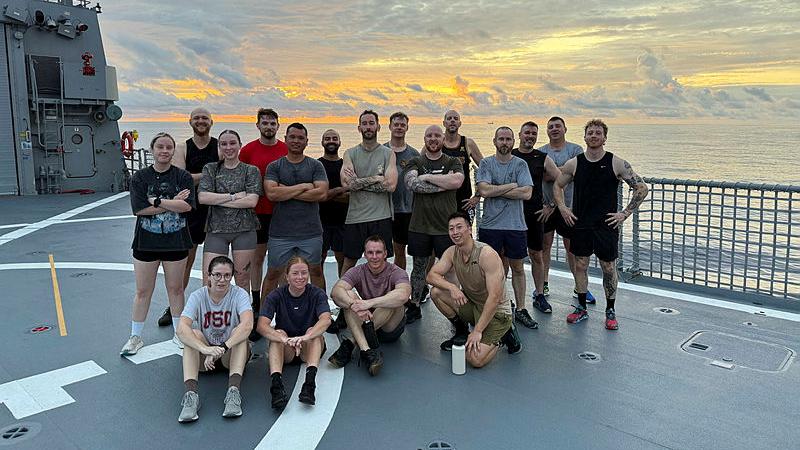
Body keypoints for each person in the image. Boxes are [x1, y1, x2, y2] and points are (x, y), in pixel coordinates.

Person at [554, 119, 648, 330]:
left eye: (598, 133)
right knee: (580, 265)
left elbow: (641, 188)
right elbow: (557, 186)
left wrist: (624, 214)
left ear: (605, 138)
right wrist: (563, 208)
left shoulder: (616, 162)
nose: (594, 136)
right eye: (590, 133)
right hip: (581, 223)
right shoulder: (574, 163)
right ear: (585, 137)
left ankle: (610, 310)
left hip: (606, 224)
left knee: (608, 267)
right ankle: (580, 307)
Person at [120, 133, 193, 356]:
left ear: (173, 151)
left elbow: (187, 207)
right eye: (160, 146)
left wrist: (157, 201)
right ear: (152, 150)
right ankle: (135, 336)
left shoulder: (182, 176)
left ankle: (179, 333)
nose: (164, 151)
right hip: (146, 243)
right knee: (143, 290)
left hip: (176, 242)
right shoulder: (140, 178)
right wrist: (172, 203)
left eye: (168, 147)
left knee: (176, 289)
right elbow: (139, 209)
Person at [428, 212, 520, 367]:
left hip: (497, 312)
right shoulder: (452, 252)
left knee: (474, 359)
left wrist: (477, 331)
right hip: (474, 305)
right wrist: (452, 287)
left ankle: (503, 336)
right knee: (436, 293)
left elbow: (494, 298)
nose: (455, 232)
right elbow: (431, 276)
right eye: (451, 229)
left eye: (459, 227)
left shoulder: (486, 254)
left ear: (469, 229)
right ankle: (462, 331)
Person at [158, 107, 220, 327]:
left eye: (205, 117)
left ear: (211, 121)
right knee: (185, 262)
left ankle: (212, 307)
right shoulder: (183, 147)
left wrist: (196, 178)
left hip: (214, 212)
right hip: (189, 212)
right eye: (197, 118)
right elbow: (181, 180)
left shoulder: (218, 147)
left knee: (213, 265)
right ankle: (174, 306)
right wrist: (211, 174)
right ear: (190, 122)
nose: (201, 121)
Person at [176, 256, 253, 422]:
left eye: (227, 275)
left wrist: (222, 348)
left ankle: (233, 392)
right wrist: (205, 349)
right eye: (217, 275)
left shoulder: (239, 294)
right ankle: (191, 396)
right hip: (206, 358)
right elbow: (181, 329)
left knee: (239, 333)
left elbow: (247, 325)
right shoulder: (198, 296)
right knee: (193, 335)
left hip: (228, 355)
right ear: (209, 275)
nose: (222, 280)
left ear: (232, 276)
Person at [402, 125, 464, 324]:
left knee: (451, 269)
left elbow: (457, 182)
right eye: (429, 135)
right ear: (424, 139)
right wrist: (443, 184)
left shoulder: (453, 161)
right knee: (419, 267)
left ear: (443, 139)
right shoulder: (415, 161)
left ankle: (458, 309)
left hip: (446, 228)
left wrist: (428, 177)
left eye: (437, 135)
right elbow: (412, 184)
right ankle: (415, 304)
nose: (433, 138)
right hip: (419, 226)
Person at [475, 127, 534, 330]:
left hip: (515, 226)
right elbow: (483, 190)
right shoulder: (486, 163)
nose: (505, 142)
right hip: (490, 226)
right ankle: (491, 308)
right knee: (488, 270)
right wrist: (511, 185)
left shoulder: (520, 164)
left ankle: (521, 309)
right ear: (494, 141)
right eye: (501, 139)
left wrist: (495, 190)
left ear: (513, 141)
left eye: (508, 139)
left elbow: (527, 193)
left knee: (518, 268)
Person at [328, 236, 411, 376]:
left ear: (385, 254)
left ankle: (351, 342)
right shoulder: (358, 271)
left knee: (392, 298)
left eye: (378, 252)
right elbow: (336, 292)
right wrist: (352, 304)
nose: (374, 256)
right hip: (367, 321)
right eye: (370, 253)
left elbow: (403, 295)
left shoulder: (396, 272)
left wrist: (370, 303)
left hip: (388, 329)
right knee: (348, 295)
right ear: (365, 254)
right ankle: (367, 351)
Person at [257, 256, 331, 409]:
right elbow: (262, 326)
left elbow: (326, 320)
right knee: (279, 333)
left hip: (308, 346)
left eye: (304, 273)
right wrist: (284, 339)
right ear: (287, 276)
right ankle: (276, 386)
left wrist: (305, 337)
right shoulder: (276, 295)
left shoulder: (317, 293)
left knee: (314, 331)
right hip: (288, 348)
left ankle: (309, 384)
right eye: (295, 273)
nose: (300, 277)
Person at [263, 123, 328, 293]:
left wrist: (285, 190)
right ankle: (264, 317)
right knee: (273, 274)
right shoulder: (275, 166)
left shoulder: (315, 166)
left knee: (315, 271)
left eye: (300, 138)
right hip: (280, 233)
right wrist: (305, 186)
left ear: (307, 141)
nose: (296, 141)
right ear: (285, 139)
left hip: (311, 232)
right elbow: (271, 194)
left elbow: (321, 194)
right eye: (292, 137)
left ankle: (322, 314)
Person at [511, 121, 562, 322]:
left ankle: (539, 295)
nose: (530, 136)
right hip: (512, 214)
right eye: (527, 133)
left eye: (533, 133)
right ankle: (509, 299)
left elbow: (560, 179)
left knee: (537, 255)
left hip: (535, 214)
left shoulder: (542, 158)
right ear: (520, 134)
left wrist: (551, 205)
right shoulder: (511, 155)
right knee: (507, 258)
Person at [197, 130, 262, 290]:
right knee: (210, 278)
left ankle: (243, 314)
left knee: (242, 278)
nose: (228, 147)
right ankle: (212, 314)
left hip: (245, 230)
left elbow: (251, 201)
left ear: (240, 145)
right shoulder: (210, 169)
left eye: (232, 143)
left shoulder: (250, 170)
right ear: (219, 147)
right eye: (224, 144)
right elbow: (203, 198)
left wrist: (218, 199)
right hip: (216, 230)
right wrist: (234, 196)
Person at [538, 116, 593, 301]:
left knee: (572, 249)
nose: (554, 129)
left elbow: (576, 173)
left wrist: (553, 170)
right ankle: (543, 284)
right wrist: (565, 171)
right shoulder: (541, 152)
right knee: (545, 246)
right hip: (546, 206)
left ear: (565, 129)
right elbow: (543, 177)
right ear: (547, 131)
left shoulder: (575, 150)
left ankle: (580, 287)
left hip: (569, 207)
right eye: (551, 127)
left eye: (558, 126)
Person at [239, 108, 288, 311]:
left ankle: (283, 299)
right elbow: (239, 179)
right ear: (258, 125)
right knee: (257, 259)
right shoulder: (248, 150)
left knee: (283, 261)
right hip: (256, 214)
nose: (268, 126)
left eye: (272, 123)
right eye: (265, 123)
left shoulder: (286, 150)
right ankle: (257, 300)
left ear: (278, 125)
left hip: (282, 214)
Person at [340, 110, 398, 275]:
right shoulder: (350, 153)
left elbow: (390, 185)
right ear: (359, 128)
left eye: (371, 123)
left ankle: (381, 299)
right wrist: (375, 178)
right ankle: (343, 298)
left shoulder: (388, 153)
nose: (368, 127)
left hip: (381, 217)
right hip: (355, 218)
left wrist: (359, 182)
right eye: (364, 124)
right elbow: (347, 183)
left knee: (381, 262)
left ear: (378, 127)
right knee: (349, 262)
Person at [385, 112, 420, 271]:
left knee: (401, 251)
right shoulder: (382, 151)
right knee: (382, 252)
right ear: (390, 126)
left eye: (402, 125)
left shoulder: (414, 154)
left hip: (407, 209)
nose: (399, 128)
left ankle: (403, 284)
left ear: (407, 127)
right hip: (384, 209)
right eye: (396, 124)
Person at [318, 129, 349, 284]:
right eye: (327, 138)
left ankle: (343, 301)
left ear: (339, 142)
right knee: (317, 265)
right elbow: (316, 196)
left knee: (343, 263)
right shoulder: (316, 165)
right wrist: (337, 191)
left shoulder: (345, 165)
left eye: (334, 138)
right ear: (322, 142)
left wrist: (326, 194)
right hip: (319, 222)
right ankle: (320, 300)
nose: (331, 141)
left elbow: (350, 197)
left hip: (342, 222)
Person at [442, 110, 483, 212]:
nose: (452, 121)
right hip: (441, 201)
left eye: (455, 119)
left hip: (465, 202)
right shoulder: (436, 142)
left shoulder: (468, 143)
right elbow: (421, 166)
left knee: (464, 228)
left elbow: (485, 169)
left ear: (460, 123)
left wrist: (477, 196)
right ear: (444, 123)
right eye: (449, 118)